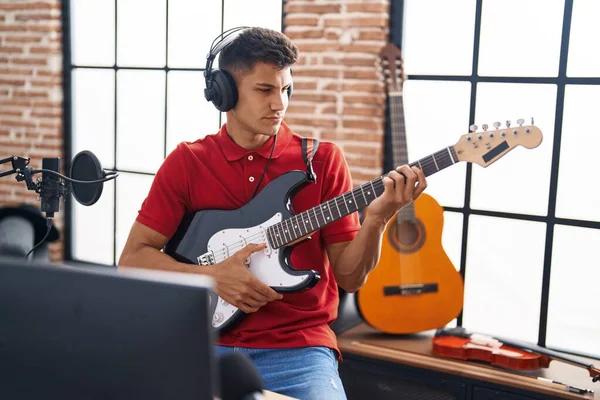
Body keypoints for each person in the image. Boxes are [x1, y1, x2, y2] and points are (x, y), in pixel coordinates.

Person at [118, 27, 427, 399]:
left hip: (299, 350)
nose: (278, 104)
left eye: (285, 90)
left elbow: (350, 277)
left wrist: (377, 218)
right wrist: (211, 276)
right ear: (225, 93)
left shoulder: (323, 161)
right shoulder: (188, 162)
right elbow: (133, 259)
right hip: (201, 345)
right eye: (265, 90)